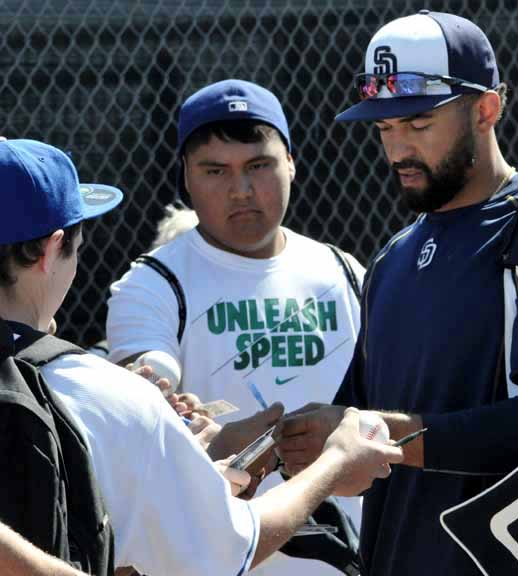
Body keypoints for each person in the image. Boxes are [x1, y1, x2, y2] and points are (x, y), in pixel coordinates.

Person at [278, 11, 518, 574]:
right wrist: (267, 440)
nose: (398, 148)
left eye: (418, 122)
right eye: (384, 128)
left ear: (486, 109)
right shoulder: (392, 258)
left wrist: (374, 433)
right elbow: (356, 416)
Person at [0, 138, 403, 574]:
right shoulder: (103, 396)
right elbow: (229, 549)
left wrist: (192, 470)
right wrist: (333, 463)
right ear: (49, 251)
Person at [105, 80, 366, 575]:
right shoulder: (154, 283)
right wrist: (151, 387)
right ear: (186, 176)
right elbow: (146, 365)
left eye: (258, 166)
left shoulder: (344, 271)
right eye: (215, 170)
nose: (241, 190)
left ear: (290, 161)